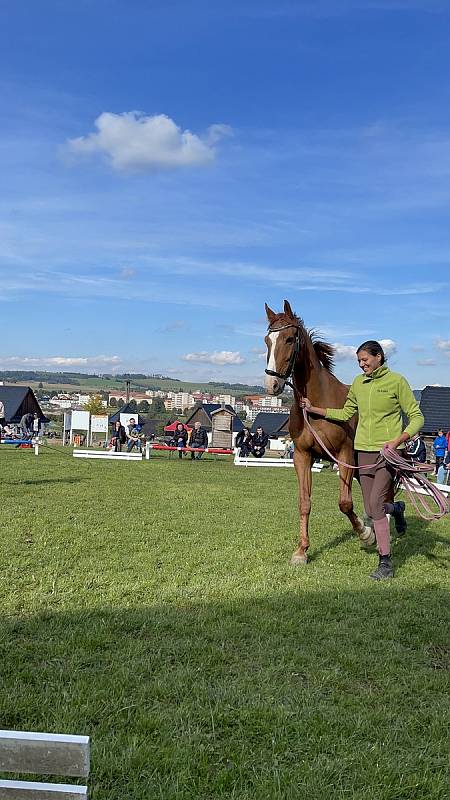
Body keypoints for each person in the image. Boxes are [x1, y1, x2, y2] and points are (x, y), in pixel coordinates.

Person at [300, 340, 424, 581]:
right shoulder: (358, 383)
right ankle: (396, 508)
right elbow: (346, 413)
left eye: (365, 359)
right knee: (370, 508)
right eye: (358, 361)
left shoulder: (397, 382)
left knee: (375, 506)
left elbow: (417, 417)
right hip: (363, 453)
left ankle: (385, 561)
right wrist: (315, 409)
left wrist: (398, 440)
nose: (361, 365)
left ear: (379, 357)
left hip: (388, 453)